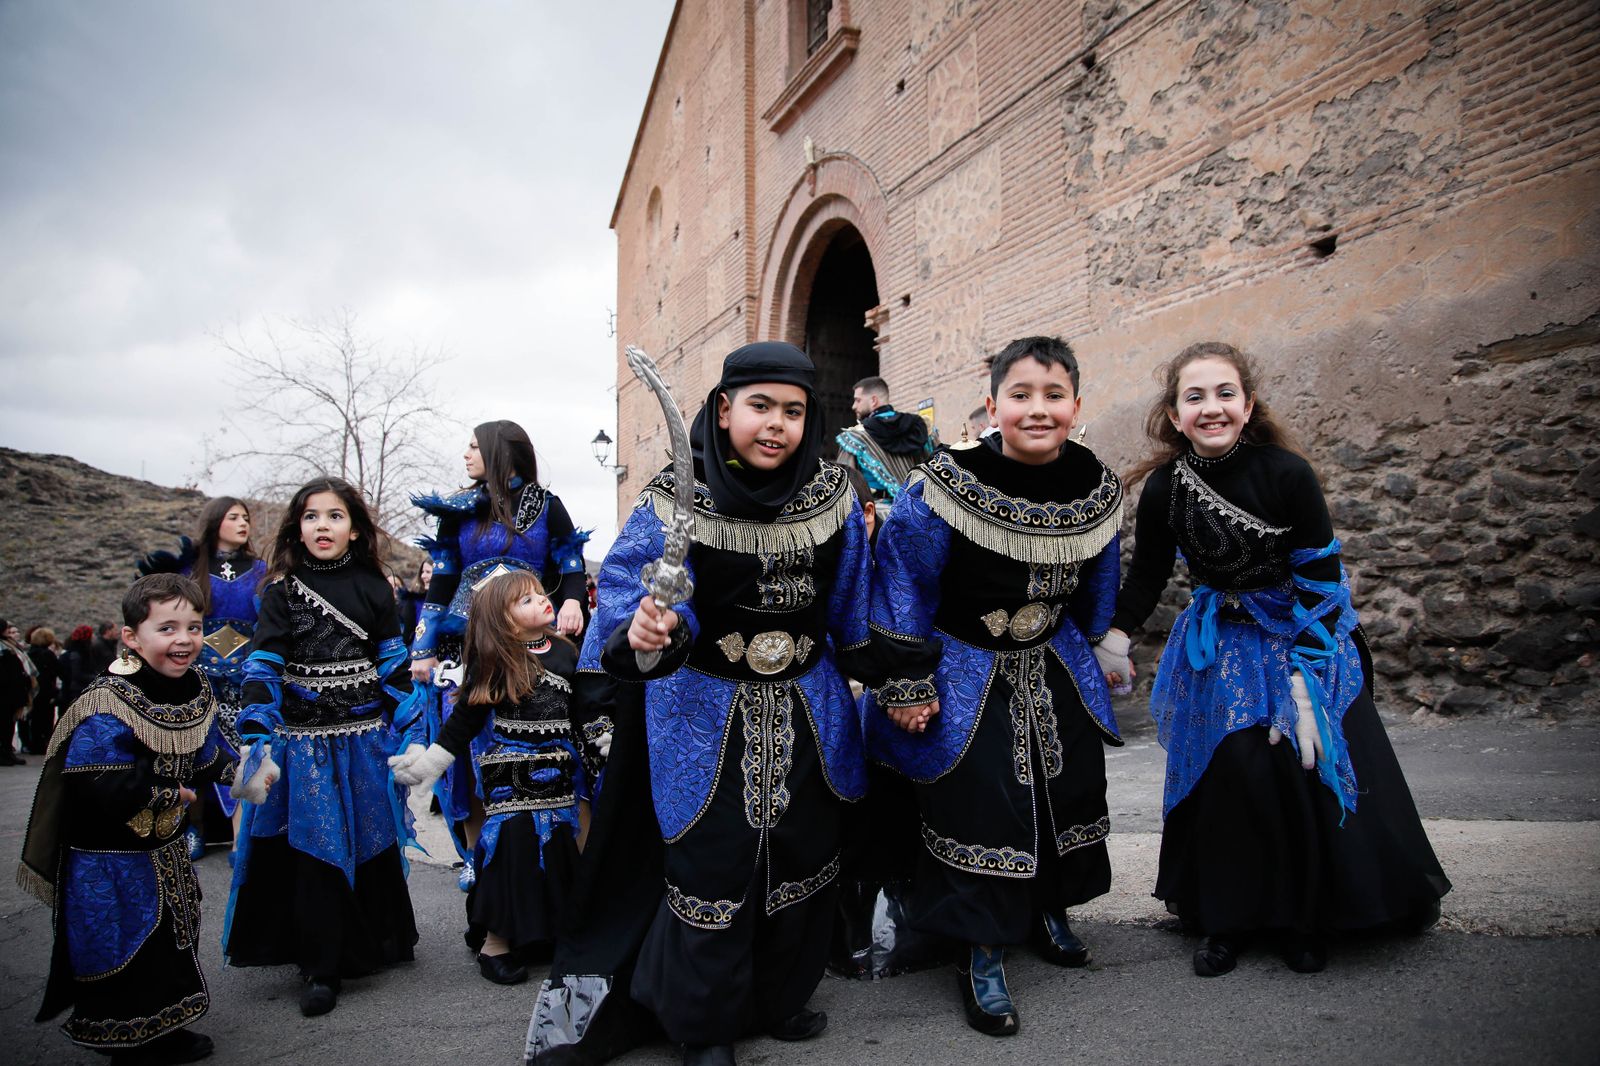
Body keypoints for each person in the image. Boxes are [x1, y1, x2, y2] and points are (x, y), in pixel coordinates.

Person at [1103, 340, 1450, 977]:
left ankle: (1305, 921)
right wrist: (1115, 638)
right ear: (1175, 415)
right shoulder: (1164, 490)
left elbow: (1321, 580)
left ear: (1248, 403)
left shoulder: (1288, 474)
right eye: (1195, 397)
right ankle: (1226, 921)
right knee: (1233, 768)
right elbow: (1147, 576)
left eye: (1224, 394)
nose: (1212, 408)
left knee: (1299, 762)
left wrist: (1306, 678)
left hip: (1302, 634)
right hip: (1225, 640)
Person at [581, 341, 872, 1066]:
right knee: (713, 869)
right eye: (760, 406)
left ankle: (778, 999)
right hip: (702, 714)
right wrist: (648, 627)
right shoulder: (676, 496)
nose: (776, 424)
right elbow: (624, 596)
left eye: (794, 411)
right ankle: (704, 1025)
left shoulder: (832, 496)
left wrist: (898, 677)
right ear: (724, 408)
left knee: (801, 859)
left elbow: (854, 604)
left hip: (811, 713)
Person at [864, 336, 1125, 1037]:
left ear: (1075, 405)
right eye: (1021, 395)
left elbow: (1102, 572)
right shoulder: (945, 485)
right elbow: (902, 583)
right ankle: (979, 950)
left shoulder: (1096, 483)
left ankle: (1046, 909)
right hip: (964, 668)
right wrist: (908, 681)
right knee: (978, 805)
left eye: (1053, 395)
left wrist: (1104, 638)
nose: (1037, 410)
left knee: (1060, 791)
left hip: (1056, 663)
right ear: (992, 404)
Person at [18, 573, 250, 1065]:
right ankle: (127, 1040)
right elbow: (101, 781)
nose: (184, 639)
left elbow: (207, 750)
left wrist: (245, 772)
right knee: (123, 945)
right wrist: (173, 793)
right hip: (108, 857)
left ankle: (164, 1029)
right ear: (131, 638)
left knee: (169, 938)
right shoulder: (106, 700)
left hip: (161, 848)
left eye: (193, 626)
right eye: (167, 629)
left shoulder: (193, 685)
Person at [222, 477, 419, 1017]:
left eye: (334, 516)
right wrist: (257, 733)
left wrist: (416, 730)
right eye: (311, 517)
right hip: (303, 745)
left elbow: (393, 666)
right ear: (298, 528)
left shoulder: (377, 587)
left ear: (354, 528)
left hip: (364, 742)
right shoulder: (280, 591)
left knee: (372, 840)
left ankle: (381, 938)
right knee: (317, 846)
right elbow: (264, 664)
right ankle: (321, 966)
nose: (322, 526)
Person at [391, 571, 608, 985]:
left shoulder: (567, 651)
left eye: (539, 594)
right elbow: (463, 723)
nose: (542, 601)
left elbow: (583, 712)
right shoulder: (495, 659)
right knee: (513, 852)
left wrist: (604, 742)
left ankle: (550, 933)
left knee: (560, 852)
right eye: (525, 601)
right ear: (503, 621)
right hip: (509, 774)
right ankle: (495, 944)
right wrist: (427, 765)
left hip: (560, 775)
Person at [410, 421, 590, 889]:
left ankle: (546, 855)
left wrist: (572, 599)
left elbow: (571, 564)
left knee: (532, 741)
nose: (466, 454)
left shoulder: (547, 506)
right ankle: (476, 854)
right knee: (470, 749)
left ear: (501, 452)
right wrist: (423, 648)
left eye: (474, 446)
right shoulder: (457, 509)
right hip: (465, 645)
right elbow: (442, 582)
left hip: (527, 648)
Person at [138, 497, 269, 856]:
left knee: (247, 751)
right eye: (234, 517)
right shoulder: (189, 570)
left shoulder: (262, 571)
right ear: (215, 523)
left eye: (246, 517)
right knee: (186, 750)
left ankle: (241, 838)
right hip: (193, 673)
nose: (243, 523)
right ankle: (188, 828)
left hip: (247, 675)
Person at [834, 375, 935, 508]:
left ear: (873, 400)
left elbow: (845, 488)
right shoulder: (920, 430)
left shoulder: (854, 438)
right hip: (919, 514)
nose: (854, 406)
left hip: (878, 516)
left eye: (858, 400)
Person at [1, 618, 38, 765]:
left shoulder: (9, 645)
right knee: (5, 723)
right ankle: (4, 752)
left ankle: (7, 751)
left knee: (9, 723)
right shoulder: (4, 647)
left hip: (13, 689)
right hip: (7, 689)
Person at [24, 626, 62, 755]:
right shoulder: (47, 654)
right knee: (46, 719)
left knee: (35, 719)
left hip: (35, 690)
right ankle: (43, 743)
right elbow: (58, 670)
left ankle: (34, 743)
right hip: (46, 690)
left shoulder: (30, 653)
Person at [60, 624, 98, 709]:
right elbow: (77, 674)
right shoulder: (77, 655)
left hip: (77, 691)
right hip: (75, 693)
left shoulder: (81, 653)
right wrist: (96, 677)